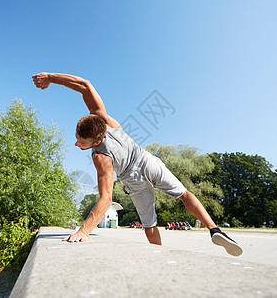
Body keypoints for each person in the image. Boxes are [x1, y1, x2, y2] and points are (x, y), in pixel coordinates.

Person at [32, 72, 243, 257]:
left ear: (96, 142)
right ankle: (214, 229)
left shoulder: (100, 157)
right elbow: (85, 85)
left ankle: (161, 258)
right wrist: (51, 77)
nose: (76, 143)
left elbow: (106, 199)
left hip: (133, 180)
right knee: (184, 194)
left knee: (149, 225)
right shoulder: (104, 120)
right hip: (147, 160)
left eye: (81, 142)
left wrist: (83, 231)